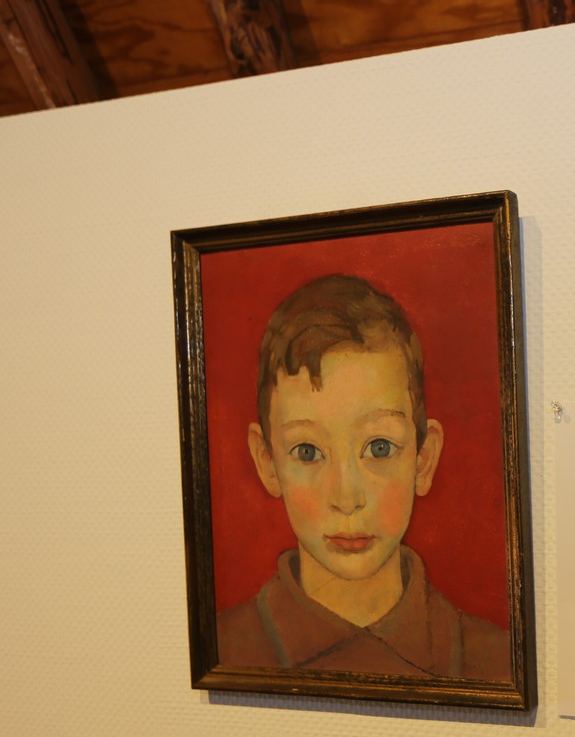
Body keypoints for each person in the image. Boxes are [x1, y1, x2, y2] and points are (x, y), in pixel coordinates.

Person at [216, 274, 510, 680]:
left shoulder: (494, 660)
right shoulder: (225, 646)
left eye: (380, 448)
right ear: (267, 462)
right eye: (308, 452)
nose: (347, 497)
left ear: (423, 460)